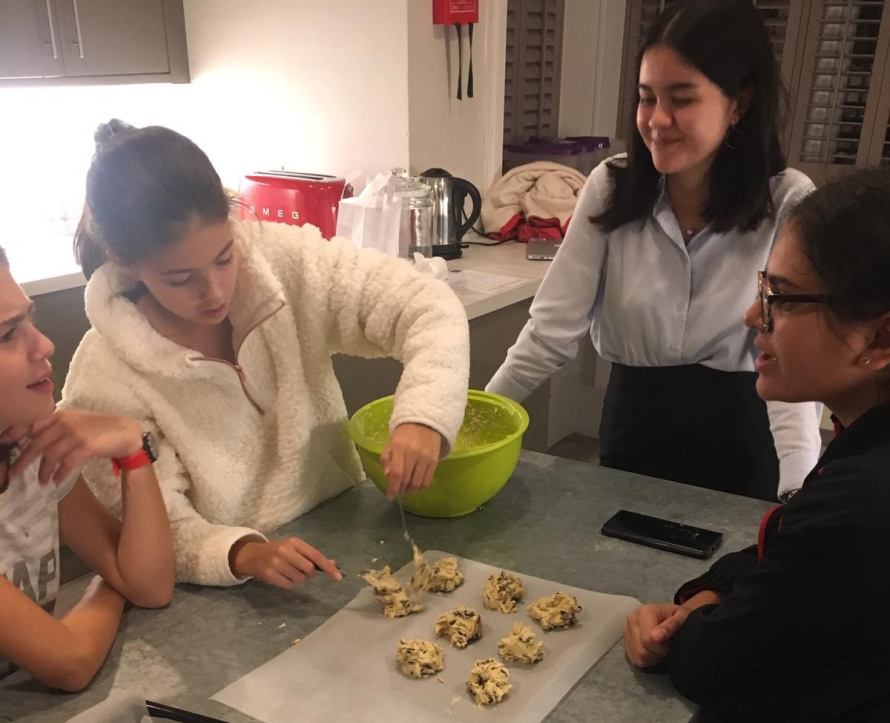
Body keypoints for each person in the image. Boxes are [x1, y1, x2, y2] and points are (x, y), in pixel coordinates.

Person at [61, 122, 470, 589]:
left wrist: (424, 415)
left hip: (347, 531)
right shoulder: (105, 379)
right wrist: (241, 553)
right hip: (229, 594)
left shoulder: (281, 261)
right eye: (180, 279)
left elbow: (427, 306)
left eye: (223, 257)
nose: (214, 292)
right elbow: (158, 532)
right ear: (125, 263)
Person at [486, 0, 822, 501]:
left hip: (744, 435)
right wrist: (476, 421)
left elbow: (791, 361)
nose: (657, 121)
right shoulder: (612, 186)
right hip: (634, 426)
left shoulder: (788, 200)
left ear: (739, 103)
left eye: (682, 99)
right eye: (647, 99)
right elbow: (550, 332)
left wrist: (800, 486)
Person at [624, 169, 890, 721]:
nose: (752, 317)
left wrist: (692, 624)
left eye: (781, 299)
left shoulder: (865, 502)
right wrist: (713, 590)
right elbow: (793, 554)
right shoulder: (861, 447)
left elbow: (709, 663)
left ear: (880, 340)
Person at [0, 245, 174, 690]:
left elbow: (150, 585)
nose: (44, 344)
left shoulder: (26, 447)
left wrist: (132, 445)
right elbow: (71, 662)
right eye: (6, 335)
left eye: (30, 320)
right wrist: (109, 587)